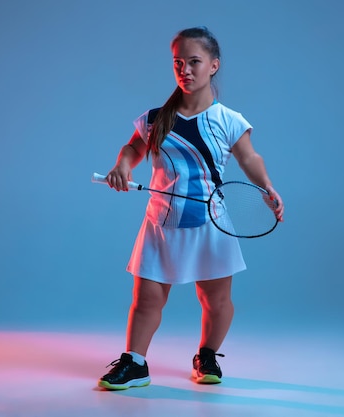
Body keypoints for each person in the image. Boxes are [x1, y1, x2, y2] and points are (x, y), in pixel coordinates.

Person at [97, 26, 284, 390]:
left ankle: (207, 354)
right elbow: (134, 148)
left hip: (210, 223)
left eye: (194, 62)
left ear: (213, 66)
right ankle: (135, 363)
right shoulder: (155, 118)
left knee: (216, 300)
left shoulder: (228, 120)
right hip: (160, 222)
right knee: (146, 299)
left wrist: (267, 186)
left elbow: (249, 156)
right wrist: (122, 165)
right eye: (178, 62)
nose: (185, 69)